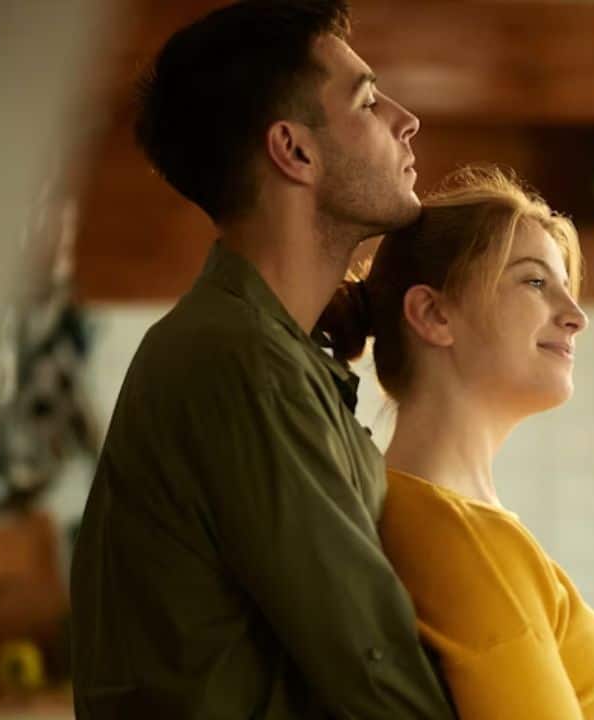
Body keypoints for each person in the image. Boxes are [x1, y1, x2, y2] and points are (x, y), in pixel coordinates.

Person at [69, 1, 456, 717]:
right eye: (369, 101)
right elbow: (375, 669)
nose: (408, 119)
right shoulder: (245, 364)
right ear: (294, 151)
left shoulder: (263, 349)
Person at [317, 166, 594, 719]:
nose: (575, 316)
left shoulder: (434, 514)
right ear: (434, 314)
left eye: (564, 285)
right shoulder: (458, 534)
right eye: (535, 282)